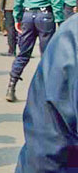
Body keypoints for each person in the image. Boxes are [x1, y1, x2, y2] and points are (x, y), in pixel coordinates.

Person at [15, 14, 78, 172]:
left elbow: (45, 152)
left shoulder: (70, 36)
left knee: (27, 54)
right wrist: (57, 15)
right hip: (45, 16)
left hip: (30, 16)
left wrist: (17, 14)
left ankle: (12, 81)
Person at [7, 0, 65, 102]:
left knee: (23, 53)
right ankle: (46, 93)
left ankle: (11, 86)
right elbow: (56, 0)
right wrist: (60, 22)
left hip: (27, 15)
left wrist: (18, 16)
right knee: (47, 54)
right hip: (45, 16)